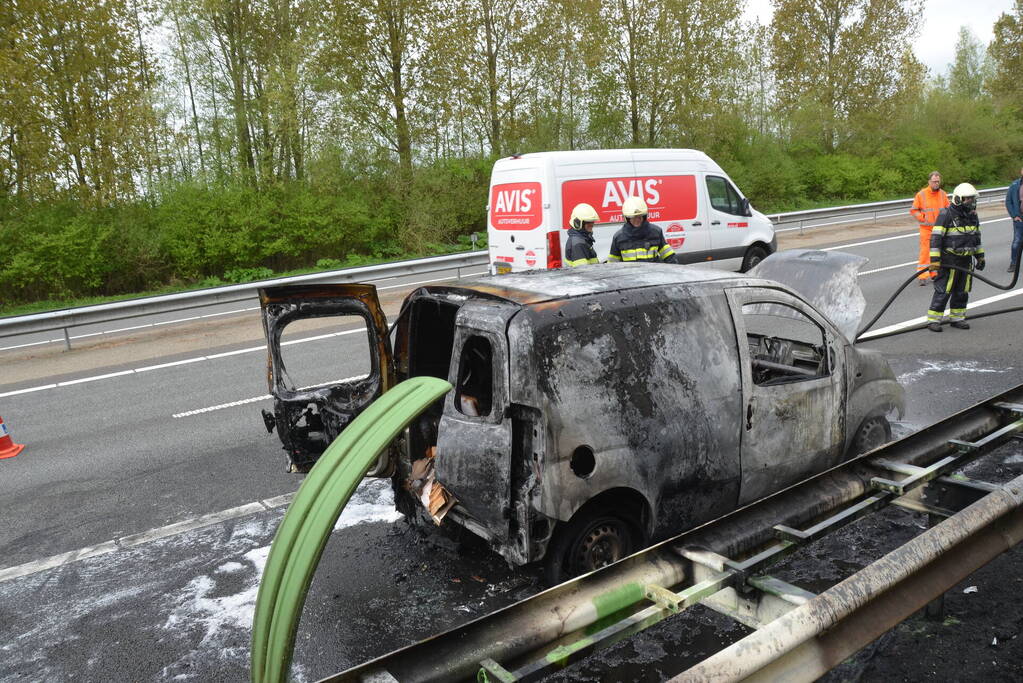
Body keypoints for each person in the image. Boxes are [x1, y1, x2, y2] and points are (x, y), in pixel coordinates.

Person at [926, 183, 984, 332]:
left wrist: (980, 257)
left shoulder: (972, 216)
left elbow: (976, 238)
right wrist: (935, 260)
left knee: (962, 291)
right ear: (958, 199)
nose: (971, 202)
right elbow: (935, 239)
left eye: (972, 199)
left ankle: (957, 318)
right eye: (968, 199)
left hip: (966, 261)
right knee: (943, 290)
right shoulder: (946, 214)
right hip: (949, 260)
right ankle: (934, 320)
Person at [607, 197, 678, 264]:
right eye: (633, 217)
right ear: (627, 218)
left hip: (653, 275)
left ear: (644, 216)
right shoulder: (619, 237)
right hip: (630, 276)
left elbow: (669, 257)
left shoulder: (656, 232)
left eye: (640, 216)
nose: (637, 220)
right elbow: (612, 265)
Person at [910, 171, 949, 285]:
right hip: (926, 229)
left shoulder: (942, 194)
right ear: (929, 182)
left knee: (937, 252)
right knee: (925, 253)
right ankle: (922, 275)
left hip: (939, 229)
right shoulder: (921, 194)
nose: (936, 183)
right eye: (934, 182)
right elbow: (914, 210)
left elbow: (948, 208)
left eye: (938, 181)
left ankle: (934, 273)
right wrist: (923, 218)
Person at [1006, 167, 1023, 272]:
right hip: (1019, 218)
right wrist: (1014, 216)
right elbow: (1008, 202)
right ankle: (1014, 263)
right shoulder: (1015, 185)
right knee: (1017, 242)